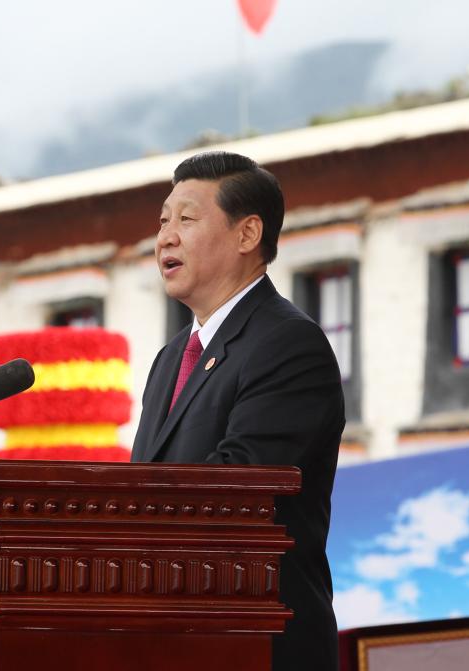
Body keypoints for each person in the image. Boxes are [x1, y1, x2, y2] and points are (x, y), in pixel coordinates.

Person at [131, 151, 345, 670]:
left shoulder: (287, 343)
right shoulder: (170, 359)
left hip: (258, 639)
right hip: (177, 640)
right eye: (162, 221)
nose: (165, 238)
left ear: (248, 234)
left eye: (186, 219)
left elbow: (239, 490)